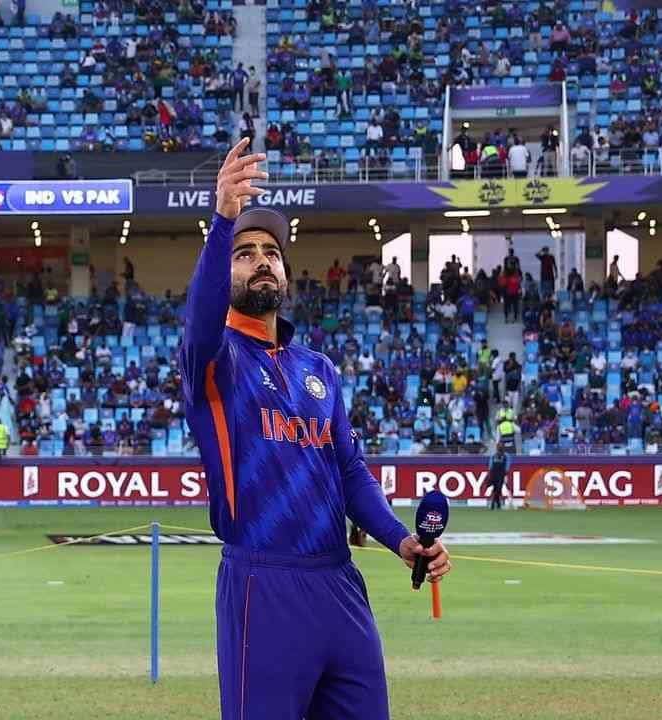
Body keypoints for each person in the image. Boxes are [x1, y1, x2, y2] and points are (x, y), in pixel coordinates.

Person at [181, 138, 451, 720]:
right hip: (264, 584)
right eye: (244, 253)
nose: (261, 260)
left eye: (271, 253)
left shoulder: (318, 369)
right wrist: (222, 220)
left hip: (340, 585)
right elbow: (199, 321)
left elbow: (349, 471)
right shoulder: (216, 359)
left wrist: (399, 539)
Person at [486, 446, 510, 510]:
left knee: (497, 488)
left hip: (496, 473)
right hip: (499, 474)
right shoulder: (505, 455)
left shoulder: (495, 455)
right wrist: (506, 474)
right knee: (498, 489)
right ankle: (493, 503)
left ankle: (497, 504)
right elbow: (507, 466)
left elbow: (490, 466)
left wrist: (490, 474)